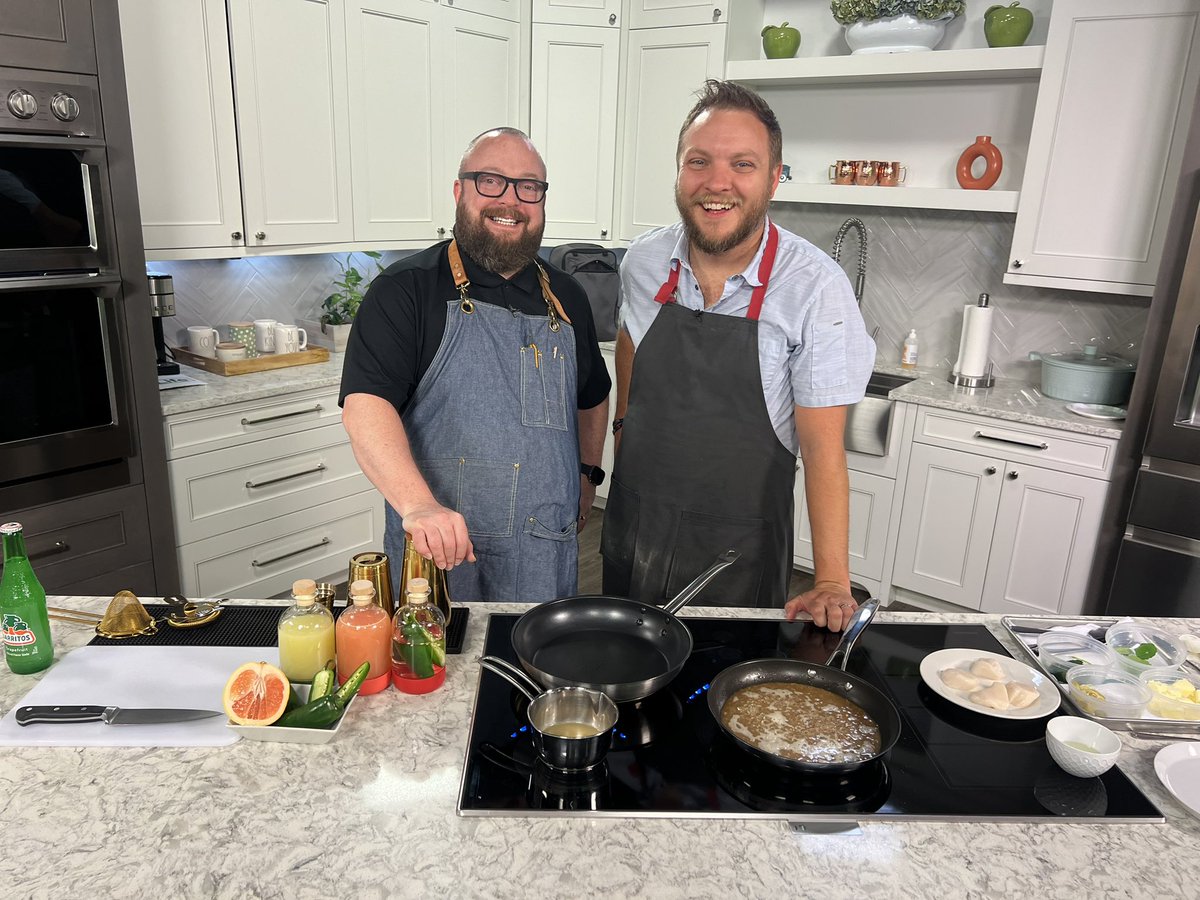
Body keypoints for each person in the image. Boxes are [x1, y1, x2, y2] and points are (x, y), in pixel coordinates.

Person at [601, 80, 874, 632]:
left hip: (737, 550)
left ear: (774, 178)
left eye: (742, 164)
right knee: (623, 680)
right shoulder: (643, 261)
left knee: (723, 693)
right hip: (637, 526)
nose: (716, 183)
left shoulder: (814, 288)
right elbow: (631, 337)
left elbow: (824, 452)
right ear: (679, 171)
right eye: (698, 161)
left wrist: (831, 582)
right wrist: (623, 428)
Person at [340, 127, 611, 603]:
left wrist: (588, 475)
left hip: (543, 550)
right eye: (491, 181)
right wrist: (418, 505)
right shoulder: (406, 290)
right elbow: (365, 406)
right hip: (442, 553)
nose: (510, 200)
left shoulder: (567, 297)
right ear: (459, 190)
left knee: (533, 671)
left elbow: (592, 396)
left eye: (529, 187)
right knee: (442, 669)